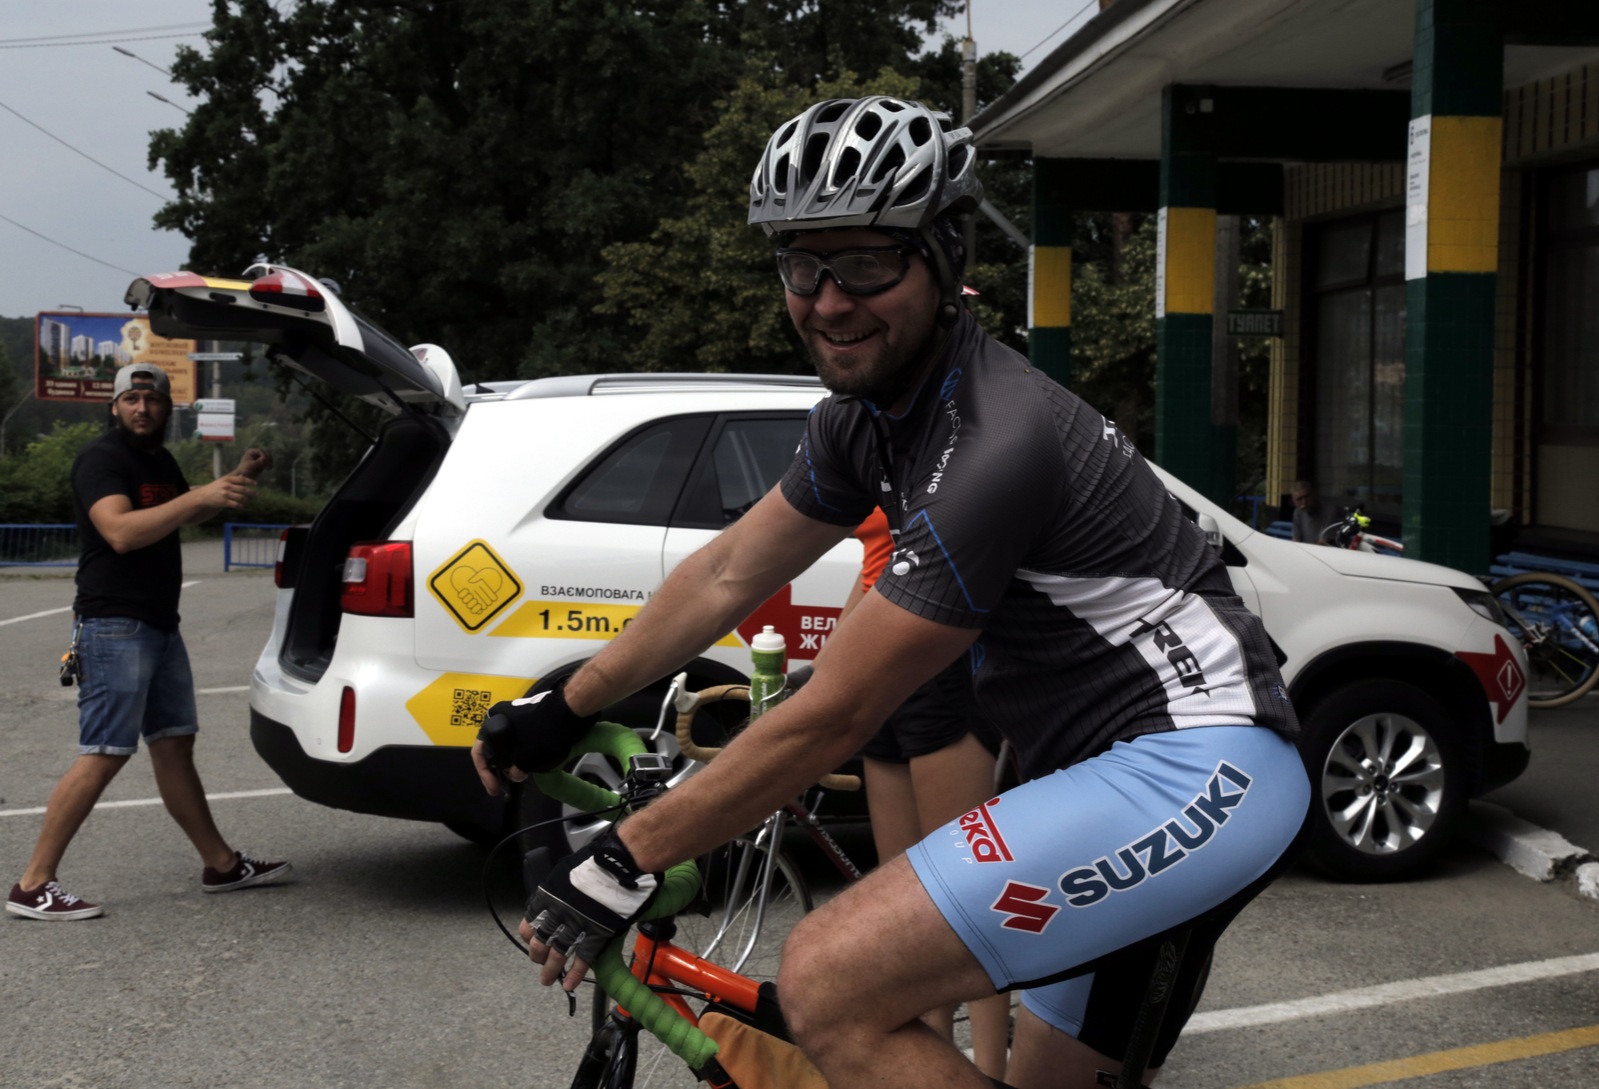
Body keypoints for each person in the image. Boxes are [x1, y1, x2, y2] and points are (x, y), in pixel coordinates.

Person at [474, 96, 1309, 1089]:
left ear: (945, 257)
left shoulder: (996, 441)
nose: (830, 301)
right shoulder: (863, 418)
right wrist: (567, 702)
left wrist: (626, 857)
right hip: (1097, 777)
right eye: (803, 266)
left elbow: (840, 712)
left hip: (1198, 770)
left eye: (867, 263)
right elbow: (730, 570)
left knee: (827, 980)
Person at [6, 363, 290, 921]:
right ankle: (33, 884)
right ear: (114, 406)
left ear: (167, 407)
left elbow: (184, 512)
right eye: (131, 399)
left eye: (152, 399)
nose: (142, 408)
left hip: (159, 624)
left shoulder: (159, 461)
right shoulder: (101, 460)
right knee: (105, 751)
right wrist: (200, 494)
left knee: (174, 744)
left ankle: (221, 865)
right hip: (113, 624)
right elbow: (121, 531)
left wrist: (235, 477)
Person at [848, 508, 1012, 1079]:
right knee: (906, 898)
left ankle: (991, 1071)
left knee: (967, 889)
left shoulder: (946, 465)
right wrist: (830, 669)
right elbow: (871, 569)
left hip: (941, 657)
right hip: (876, 664)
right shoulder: (868, 466)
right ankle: (935, 1068)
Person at [1290, 480, 1329, 544]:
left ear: (1313, 495)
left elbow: (1324, 542)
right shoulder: (1298, 512)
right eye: (1299, 499)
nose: (1304, 502)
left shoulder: (1328, 510)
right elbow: (1296, 540)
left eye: (1307, 496)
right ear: (1294, 502)